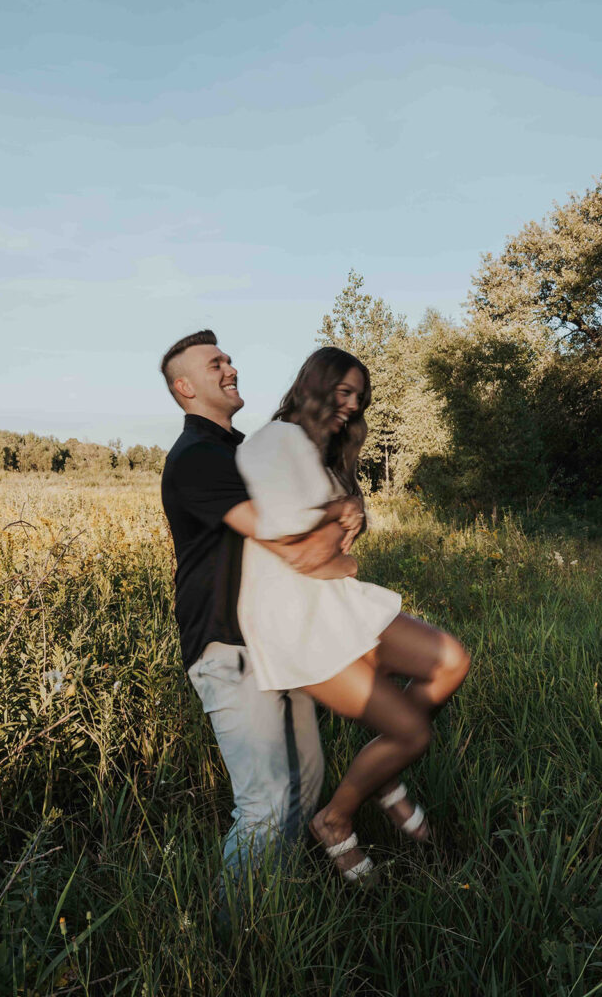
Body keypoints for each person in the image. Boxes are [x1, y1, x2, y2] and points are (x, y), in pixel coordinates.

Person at [235, 347, 471, 882]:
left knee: (452, 660)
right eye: (343, 392)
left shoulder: (317, 451)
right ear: (313, 385)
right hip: (295, 619)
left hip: (335, 602)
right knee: (412, 732)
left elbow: (328, 547)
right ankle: (336, 820)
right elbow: (299, 545)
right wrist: (339, 525)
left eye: (359, 398)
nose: (351, 405)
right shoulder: (274, 442)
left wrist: (339, 533)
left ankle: (380, 773)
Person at [159, 330, 357, 889]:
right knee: (265, 804)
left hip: (279, 641)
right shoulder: (197, 457)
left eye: (228, 358)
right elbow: (289, 543)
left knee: (306, 783)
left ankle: (276, 908)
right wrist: (337, 531)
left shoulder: (245, 449)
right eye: (214, 363)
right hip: (230, 647)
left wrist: (338, 515)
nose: (230, 368)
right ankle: (234, 943)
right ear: (184, 387)